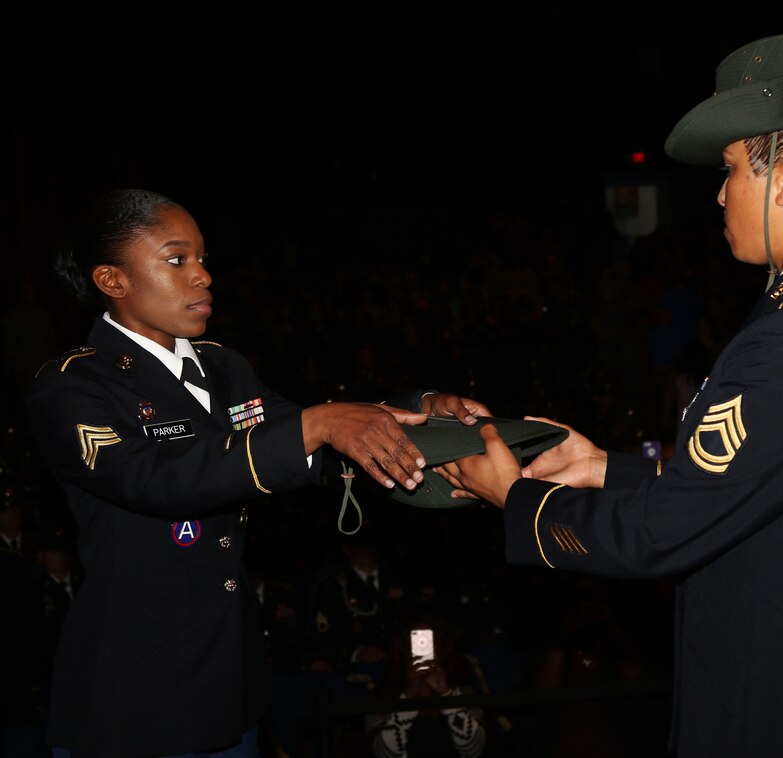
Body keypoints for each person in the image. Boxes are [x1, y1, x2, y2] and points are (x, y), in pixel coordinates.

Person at [439, 32, 783, 757]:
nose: (719, 192)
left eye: (732, 168)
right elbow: (767, 486)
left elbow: (662, 534)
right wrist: (611, 467)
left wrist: (517, 498)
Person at [21, 188, 490, 758]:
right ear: (112, 281)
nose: (203, 277)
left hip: (229, 682)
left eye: (202, 259)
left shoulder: (224, 367)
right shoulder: (73, 387)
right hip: (135, 694)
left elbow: (313, 438)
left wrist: (426, 413)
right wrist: (316, 427)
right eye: (177, 260)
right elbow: (154, 479)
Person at [365, 615, 487, 758]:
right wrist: (407, 699)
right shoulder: (382, 698)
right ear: (403, 649)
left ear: (441, 649)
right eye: (416, 641)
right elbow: (385, 754)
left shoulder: (464, 693)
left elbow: (474, 751)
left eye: (430, 642)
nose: (423, 647)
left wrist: (447, 695)